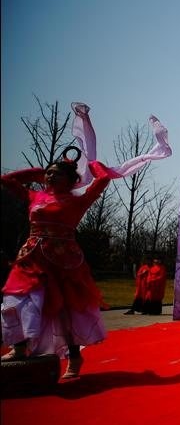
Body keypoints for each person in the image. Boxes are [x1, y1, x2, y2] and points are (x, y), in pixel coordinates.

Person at [1, 148, 111, 379]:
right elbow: (7, 180)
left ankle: (74, 356)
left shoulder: (78, 201)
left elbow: (103, 179)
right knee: (17, 299)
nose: (50, 177)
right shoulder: (35, 197)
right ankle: (19, 345)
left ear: (70, 180)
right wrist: (37, 172)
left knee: (65, 311)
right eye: (48, 174)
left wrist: (91, 163)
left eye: (56, 174)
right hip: (31, 258)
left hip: (64, 261)